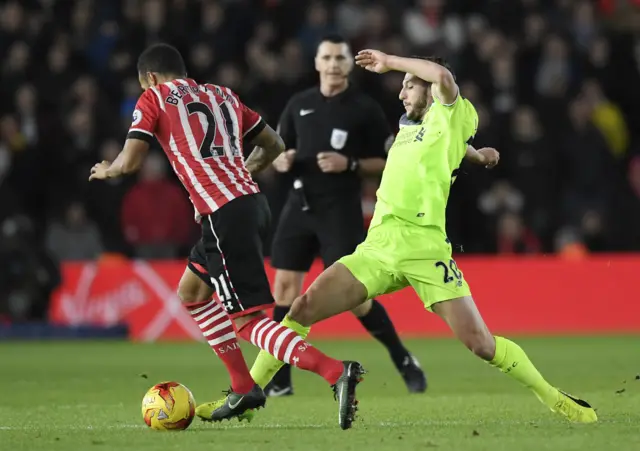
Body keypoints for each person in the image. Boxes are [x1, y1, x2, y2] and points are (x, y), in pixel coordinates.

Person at [284, 49, 598, 424]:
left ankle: (554, 397)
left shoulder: (451, 108)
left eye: (409, 85)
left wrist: (389, 60)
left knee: (481, 344)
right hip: (379, 247)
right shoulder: (411, 126)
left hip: (425, 249)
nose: (401, 93)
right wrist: (477, 156)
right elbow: (443, 143)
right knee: (300, 309)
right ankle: (245, 394)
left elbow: (443, 79)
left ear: (430, 88)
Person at [88, 43, 364, 430]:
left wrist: (111, 169)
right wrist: (242, 173)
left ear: (149, 78)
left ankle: (335, 371)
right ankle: (243, 386)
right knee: (192, 292)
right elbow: (275, 144)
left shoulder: (154, 96)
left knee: (248, 322)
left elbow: (132, 159)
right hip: (251, 205)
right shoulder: (222, 94)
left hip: (223, 214)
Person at [182, 35, 426, 404]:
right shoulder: (300, 105)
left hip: (339, 209)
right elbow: (277, 147)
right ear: (316, 63)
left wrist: (353, 165)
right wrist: (280, 160)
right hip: (298, 207)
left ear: (349, 64)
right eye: (326, 57)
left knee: (357, 301)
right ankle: (280, 377)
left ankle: (402, 357)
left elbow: (393, 159)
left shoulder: (364, 108)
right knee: (284, 291)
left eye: (340, 58)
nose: (332, 64)